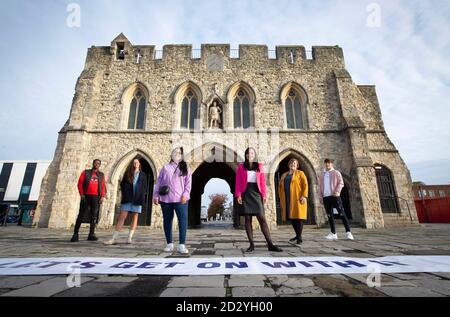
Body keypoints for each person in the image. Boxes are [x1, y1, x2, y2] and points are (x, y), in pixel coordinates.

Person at [235, 147, 282, 252]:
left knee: (262, 219)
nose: (250, 155)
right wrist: (238, 195)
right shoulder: (241, 167)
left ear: (254, 155)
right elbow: (238, 182)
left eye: (252, 153)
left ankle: (270, 244)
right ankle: (251, 245)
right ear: (246, 155)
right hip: (245, 193)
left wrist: (264, 195)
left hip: (256, 193)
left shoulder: (259, 166)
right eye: (248, 153)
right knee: (248, 220)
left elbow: (262, 182)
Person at [153, 147, 192, 254]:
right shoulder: (165, 168)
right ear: (171, 155)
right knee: (167, 221)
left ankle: (181, 245)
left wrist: (186, 194)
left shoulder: (186, 168)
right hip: (166, 199)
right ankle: (169, 243)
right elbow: (158, 183)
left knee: (182, 221)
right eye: (176, 152)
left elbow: (188, 183)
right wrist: (155, 195)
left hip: (181, 199)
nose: (178, 154)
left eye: (180, 153)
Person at [104, 158, 147, 245]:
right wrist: (125, 192)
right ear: (132, 164)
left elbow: (144, 187)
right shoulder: (128, 173)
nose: (136, 163)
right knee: (122, 216)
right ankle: (114, 238)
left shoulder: (143, 175)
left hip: (137, 198)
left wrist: (142, 196)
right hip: (128, 198)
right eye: (134, 162)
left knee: (135, 216)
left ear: (139, 164)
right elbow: (122, 184)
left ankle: (129, 237)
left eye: (137, 162)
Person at [318, 158, 354, 240]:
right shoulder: (322, 174)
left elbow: (341, 183)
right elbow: (319, 186)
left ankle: (348, 232)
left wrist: (337, 191)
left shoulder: (336, 172)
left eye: (329, 163)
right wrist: (320, 196)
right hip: (326, 197)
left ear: (332, 164)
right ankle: (333, 233)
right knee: (330, 215)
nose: (327, 164)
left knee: (342, 213)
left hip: (335, 196)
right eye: (326, 163)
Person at [71, 159, 105, 242]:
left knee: (94, 216)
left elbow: (103, 186)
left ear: (99, 165)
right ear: (93, 164)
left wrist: (102, 196)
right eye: (95, 163)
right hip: (86, 196)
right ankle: (75, 234)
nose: (97, 164)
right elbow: (80, 183)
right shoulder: (85, 172)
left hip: (96, 197)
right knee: (81, 215)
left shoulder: (101, 175)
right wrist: (81, 194)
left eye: (98, 164)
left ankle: (91, 234)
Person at [278, 158, 308, 244]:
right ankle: (297, 234)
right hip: (287, 199)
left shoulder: (300, 173)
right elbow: (280, 187)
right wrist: (280, 198)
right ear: (289, 165)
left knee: (299, 217)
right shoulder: (284, 175)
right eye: (291, 163)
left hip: (297, 198)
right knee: (291, 217)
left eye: (295, 163)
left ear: (297, 165)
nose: (293, 164)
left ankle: (299, 237)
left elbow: (305, 185)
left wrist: (304, 196)